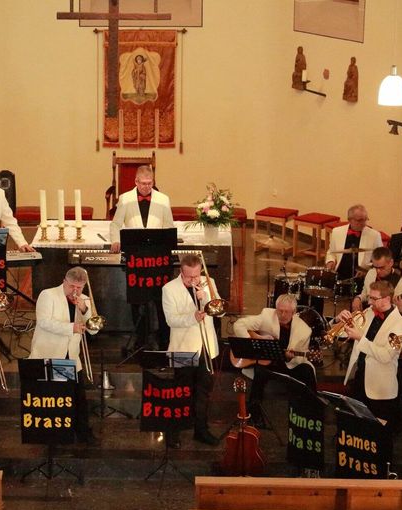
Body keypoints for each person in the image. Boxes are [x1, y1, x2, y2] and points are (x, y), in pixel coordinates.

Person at [28, 267, 98, 444]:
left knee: (78, 398)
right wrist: (71, 328)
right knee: (50, 398)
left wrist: (84, 310)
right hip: (49, 353)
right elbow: (44, 322)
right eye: (72, 286)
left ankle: (83, 433)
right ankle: (50, 435)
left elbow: (94, 331)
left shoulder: (84, 300)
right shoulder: (48, 295)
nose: (75, 291)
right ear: (64, 281)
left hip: (72, 356)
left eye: (79, 288)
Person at [340, 280, 402, 461]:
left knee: (381, 434)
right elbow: (343, 333)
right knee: (357, 429)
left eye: (373, 298)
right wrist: (341, 320)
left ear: (386, 299)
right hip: (361, 378)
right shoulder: (369, 313)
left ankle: (382, 469)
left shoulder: (400, 325)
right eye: (370, 297)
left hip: (381, 388)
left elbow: (386, 356)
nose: (369, 302)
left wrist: (361, 338)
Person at [110, 165, 174, 350]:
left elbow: (168, 226)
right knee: (138, 300)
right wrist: (115, 240)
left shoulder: (163, 199)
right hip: (136, 258)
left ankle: (164, 337)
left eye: (150, 183)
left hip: (157, 258)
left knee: (161, 299)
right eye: (143, 183)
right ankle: (141, 339)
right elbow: (115, 225)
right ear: (135, 182)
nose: (147, 187)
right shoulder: (125, 199)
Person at [162, 253, 221, 447]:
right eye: (189, 277)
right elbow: (171, 320)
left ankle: (201, 430)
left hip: (206, 347)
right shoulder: (169, 289)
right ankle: (173, 433)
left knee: (203, 392)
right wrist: (192, 317)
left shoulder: (208, 282)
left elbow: (219, 309)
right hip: (182, 348)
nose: (194, 280)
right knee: (180, 392)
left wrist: (204, 299)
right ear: (182, 271)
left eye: (197, 276)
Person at [233, 294, 314, 424]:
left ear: (294, 312)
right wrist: (254, 341)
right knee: (260, 370)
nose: (282, 314)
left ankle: (308, 414)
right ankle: (254, 413)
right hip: (267, 360)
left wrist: (289, 357)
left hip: (288, 364)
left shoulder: (304, 330)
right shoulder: (267, 315)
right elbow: (239, 325)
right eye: (279, 310)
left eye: (286, 312)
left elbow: (300, 359)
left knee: (307, 370)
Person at [352, 246, 402, 320]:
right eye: (375, 267)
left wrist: (401, 309)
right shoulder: (371, 273)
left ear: (391, 263)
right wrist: (358, 298)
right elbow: (365, 294)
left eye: (381, 268)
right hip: (369, 317)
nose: (377, 271)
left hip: (388, 322)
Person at [325, 204, 383, 281]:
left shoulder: (375, 235)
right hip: (339, 272)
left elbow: (380, 259)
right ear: (349, 220)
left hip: (361, 277)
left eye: (365, 219)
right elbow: (331, 252)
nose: (364, 223)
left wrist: (366, 271)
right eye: (360, 220)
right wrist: (330, 261)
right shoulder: (337, 232)